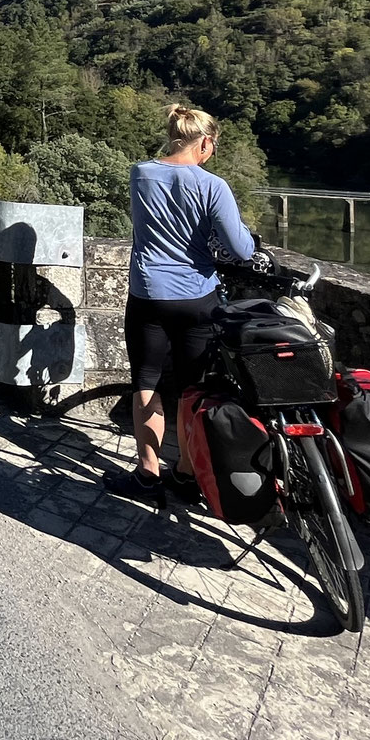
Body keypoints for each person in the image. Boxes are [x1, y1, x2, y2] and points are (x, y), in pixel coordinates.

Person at [104, 104, 254, 505]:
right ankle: (187, 474)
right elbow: (240, 249)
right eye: (214, 146)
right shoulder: (213, 186)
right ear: (205, 142)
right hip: (197, 297)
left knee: (147, 383)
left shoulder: (141, 174)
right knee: (192, 390)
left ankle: (148, 475)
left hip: (149, 295)